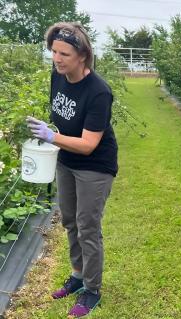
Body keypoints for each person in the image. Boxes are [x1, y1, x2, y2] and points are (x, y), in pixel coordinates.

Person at [26, 22, 117, 318]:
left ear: (83, 56)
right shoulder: (58, 75)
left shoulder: (99, 92)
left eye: (64, 53)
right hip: (66, 161)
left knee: (88, 226)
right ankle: (78, 275)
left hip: (95, 166)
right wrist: (49, 137)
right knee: (69, 220)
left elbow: (89, 144)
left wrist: (51, 137)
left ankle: (92, 290)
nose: (57, 58)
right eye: (54, 51)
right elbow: (61, 117)